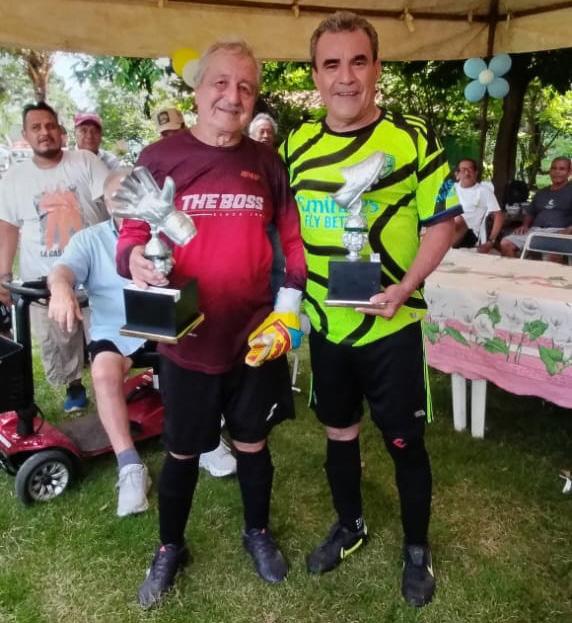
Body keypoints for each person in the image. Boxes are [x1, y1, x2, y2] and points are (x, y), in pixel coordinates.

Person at [116, 39, 306, 608]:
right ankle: (170, 547)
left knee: (252, 442)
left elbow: (292, 240)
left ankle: (258, 533)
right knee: (181, 449)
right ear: (198, 90)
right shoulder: (160, 156)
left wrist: (288, 308)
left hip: (254, 337)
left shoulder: (267, 163)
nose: (233, 96)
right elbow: (131, 234)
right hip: (188, 338)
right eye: (221, 83)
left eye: (246, 86)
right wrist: (136, 260)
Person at [280, 11, 460, 608]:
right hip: (329, 327)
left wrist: (405, 286)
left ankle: (417, 548)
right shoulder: (296, 146)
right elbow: (283, 230)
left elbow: (443, 223)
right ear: (315, 74)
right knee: (339, 432)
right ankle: (350, 525)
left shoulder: (412, 138)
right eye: (331, 64)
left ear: (377, 67)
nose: (346, 77)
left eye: (359, 61)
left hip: (392, 326)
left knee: (404, 439)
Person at [47, 168, 152, 517]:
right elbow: (63, 270)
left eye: (133, 194)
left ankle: (206, 440)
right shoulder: (89, 239)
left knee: (194, 356)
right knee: (103, 373)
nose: (126, 202)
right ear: (106, 203)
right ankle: (130, 465)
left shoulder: (161, 230)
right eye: (117, 197)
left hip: (161, 322)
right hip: (116, 328)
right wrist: (60, 288)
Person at [0, 102, 109, 412]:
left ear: (61, 131)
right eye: (36, 127)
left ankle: (109, 388)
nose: (44, 132)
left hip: (95, 276)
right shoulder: (14, 178)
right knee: (60, 339)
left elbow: (113, 201)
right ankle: (74, 387)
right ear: (25, 135)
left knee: (105, 337)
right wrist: (3, 275)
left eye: (50, 126)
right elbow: (7, 227)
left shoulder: (86, 162)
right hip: (43, 279)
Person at [500, 157, 572, 257]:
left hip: (559, 232)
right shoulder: (541, 193)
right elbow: (531, 213)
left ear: (569, 172)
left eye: (562, 169)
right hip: (535, 231)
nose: (557, 172)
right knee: (505, 243)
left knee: (554, 253)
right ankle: (516, 267)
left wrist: (569, 230)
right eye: (554, 168)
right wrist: (525, 225)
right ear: (550, 171)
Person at [248, 112, 285, 295]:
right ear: (251, 135)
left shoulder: (280, 159)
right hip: (251, 224)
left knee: (278, 265)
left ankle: (277, 303)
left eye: (269, 132)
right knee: (252, 266)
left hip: (276, 223)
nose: (266, 136)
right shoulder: (242, 159)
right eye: (261, 131)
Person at [453, 158, 504, 253]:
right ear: (457, 175)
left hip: (469, 233)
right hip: (448, 227)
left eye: (470, 169)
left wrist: (491, 241)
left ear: (476, 173)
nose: (467, 173)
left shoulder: (483, 191)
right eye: (463, 170)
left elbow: (498, 216)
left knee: (458, 218)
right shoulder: (450, 189)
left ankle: (440, 247)